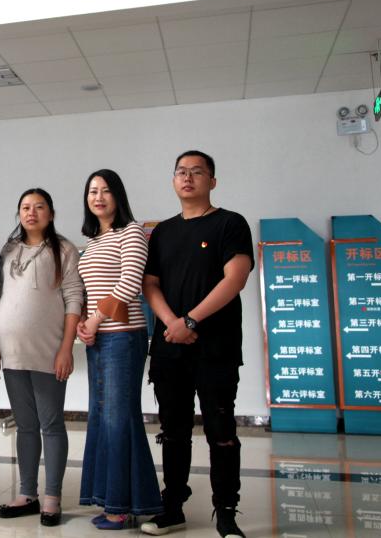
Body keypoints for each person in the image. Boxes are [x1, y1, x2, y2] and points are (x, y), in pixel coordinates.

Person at [140, 151, 254, 538]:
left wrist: (191, 320)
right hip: (170, 347)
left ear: (212, 181)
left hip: (215, 347)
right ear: (173, 181)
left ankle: (226, 511)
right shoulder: (163, 232)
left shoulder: (230, 223)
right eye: (181, 172)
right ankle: (172, 506)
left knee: (221, 430)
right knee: (173, 431)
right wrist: (173, 323)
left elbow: (235, 278)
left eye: (197, 172)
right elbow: (150, 284)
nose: (187, 178)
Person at [0, 188, 83, 527]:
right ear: (19, 214)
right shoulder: (9, 249)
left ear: (51, 213)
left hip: (48, 352)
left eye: (39, 207)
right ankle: (27, 494)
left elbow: (74, 298)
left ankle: (52, 497)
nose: (31, 212)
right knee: (26, 425)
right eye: (25, 207)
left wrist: (66, 348)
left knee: (51, 425)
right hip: (11, 352)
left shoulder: (64, 250)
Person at [75, 170, 162, 530]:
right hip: (98, 338)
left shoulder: (132, 232)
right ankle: (125, 500)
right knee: (106, 417)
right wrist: (83, 321)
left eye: (106, 191)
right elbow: (89, 288)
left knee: (117, 417)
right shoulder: (93, 241)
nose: (98, 197)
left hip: (123, 337)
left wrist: (95, 320)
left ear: (118, 196)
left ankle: (121, 507)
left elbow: (129, 283)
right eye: (92, 191)